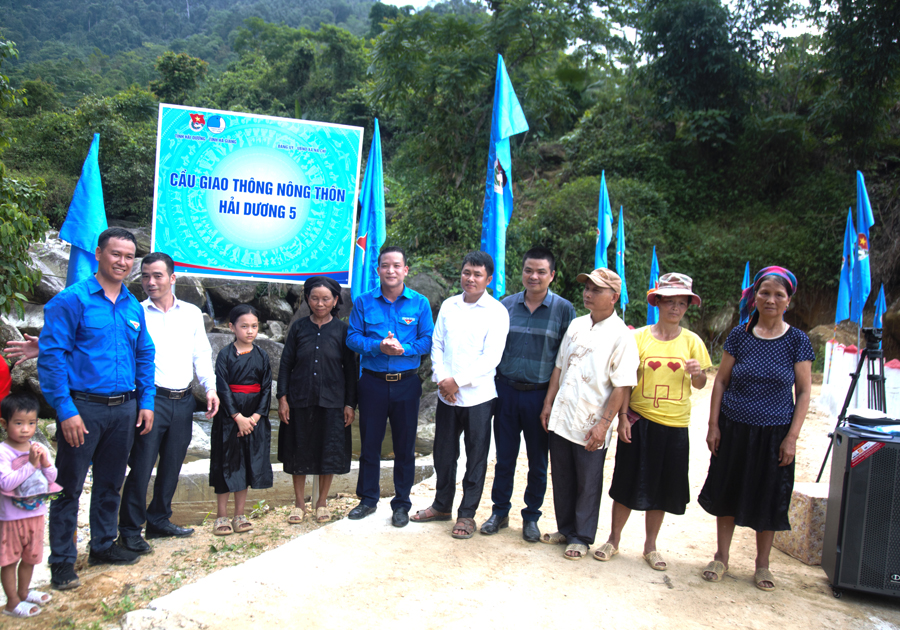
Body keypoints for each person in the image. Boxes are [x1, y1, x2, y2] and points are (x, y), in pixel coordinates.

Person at [38, 227, 155, 590]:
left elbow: (145, 355)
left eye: (128, 256)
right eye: (115, 254)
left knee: (109, 483)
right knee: (68, 488)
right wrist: (65, 409)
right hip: (83, 409)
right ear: (99, 254)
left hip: (124, 409)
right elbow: (52, 357)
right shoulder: (71, 301)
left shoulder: (133, 305)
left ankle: (103, 545)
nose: (122, 262)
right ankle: (61, 562)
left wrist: (146, 401)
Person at [698, 266, 813, 591]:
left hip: (774, 433)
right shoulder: (739, 335)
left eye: (779, 294)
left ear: (788, 300)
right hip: (734, 428)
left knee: (768, 495)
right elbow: (720, 381)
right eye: (765, 293)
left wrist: (792, 437)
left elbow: (804, 392)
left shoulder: (797, 341)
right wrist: (713, 425)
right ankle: (721, 556)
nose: (771, 299)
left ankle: (762, 565)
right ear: (755, 296)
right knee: (728, 490)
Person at [598, 273, 711, 569]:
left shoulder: (693, 342)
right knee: (625, 481)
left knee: (661, 488)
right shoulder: (638, 338)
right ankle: (614, 538)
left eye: (681, 303)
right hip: (639, 420)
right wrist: (622, 418)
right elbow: (624, 382)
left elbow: (701, 384)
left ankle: (651, 546)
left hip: (674, 425)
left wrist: (697, 372)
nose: (675, 308)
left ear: (687, 307)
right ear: (657, 302)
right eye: (669, 301)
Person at [117, 252, 219, 554]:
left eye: (157, 275)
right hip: (150, 399)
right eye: (145, 276)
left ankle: (159, 519)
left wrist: (210, 389)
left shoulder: (190, 313)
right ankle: (130, 529)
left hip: (183, 399)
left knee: (173, 463)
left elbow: (201, 353)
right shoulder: (135, 312)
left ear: (172, 278)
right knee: (142, 466)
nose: (150, 282)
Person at [539, 267, 639, 560]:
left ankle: (582, 536)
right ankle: (565, 528)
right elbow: (560, 366)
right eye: (587, 288)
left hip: (591, 419)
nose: (588, 293)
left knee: (588, 479)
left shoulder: (622, 336)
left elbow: (621, 385)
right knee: (562, 475)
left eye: (596, 289)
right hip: (562, 413)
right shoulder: (577, 325)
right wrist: (548, 404)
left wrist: (604, 424)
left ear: (614, 297)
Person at [410, 251, 510, 539]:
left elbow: (492, 357)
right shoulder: (450, 306)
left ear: (488, 279)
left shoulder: (496, 312)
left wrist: (458, 382)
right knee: (443, 454)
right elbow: (437, 343)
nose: (471, 278)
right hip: (446, 395)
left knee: (476, 457)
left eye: (477, 274)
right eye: (467, 272)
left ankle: (466, 515)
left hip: (478, 397)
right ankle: (441, 506)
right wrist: (442, 380)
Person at [481, 247, 575, 542]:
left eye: (541, 272)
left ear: (552, 276)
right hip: (506, 391)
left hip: (540, 396)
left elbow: (565, 358)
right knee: (504, 458)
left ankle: (531, 516)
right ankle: (499, 512)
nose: (533, 276)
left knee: (538, 461)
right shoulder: (505, 305)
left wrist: (552, 401)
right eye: (528, 270)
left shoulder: (563, 309)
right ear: (521, 272)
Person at [346, 247, 434, 527]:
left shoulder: (420, 303)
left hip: (406, 384)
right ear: (378, 270)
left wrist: (403, 349)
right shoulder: (363, 302)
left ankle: (401, 504)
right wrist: (377, 346)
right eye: (385, 266)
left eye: (397, 265)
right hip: (371, 383)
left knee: (405, 448)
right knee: (369, 445)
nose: (391, 270)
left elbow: (428, 341)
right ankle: (368, 500)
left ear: (406, 270)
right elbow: (352, 338)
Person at [277, 276, 357, 524]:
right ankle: (299, 504)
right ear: (307, 299)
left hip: (333, 401)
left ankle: (321, 502)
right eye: (314, 298)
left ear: (335, 300)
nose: (319, 303)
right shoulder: (298, 328)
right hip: (299, 398)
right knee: (298, 450)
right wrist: (282, 397)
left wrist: (349, 404)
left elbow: (351, 371)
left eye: (325, 299)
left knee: (328, 450)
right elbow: (285, 364)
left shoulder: (344, 331)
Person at [210, 304, 273, 536]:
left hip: (254, 417)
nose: (249, 331)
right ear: (231, 327)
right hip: (230, 417)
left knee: (246, 464)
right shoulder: (225, 355)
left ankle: (239, 514)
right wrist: (238, 417)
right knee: (226, 463)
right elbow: (223, 389)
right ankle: (221, 516)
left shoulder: (262, 356)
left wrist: (254, 417)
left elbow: (266, 389)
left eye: (254, 326)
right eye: (244, 326)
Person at [0, 394, 59, 618]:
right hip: (11, 517)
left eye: (31, 423)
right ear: (4, 423)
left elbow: (52, 477)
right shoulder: (3, 452)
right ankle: (12, 603)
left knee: (30, 556)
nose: (26, 429)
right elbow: (6, 482)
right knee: (9, 560)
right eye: (18, 423)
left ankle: (24, 592)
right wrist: (32, 465)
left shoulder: (36, 447)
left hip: (36, 513)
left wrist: (44, 463)